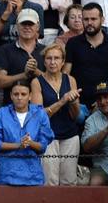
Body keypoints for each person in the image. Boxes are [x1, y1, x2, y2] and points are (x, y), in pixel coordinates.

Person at [30, 44, 83, 185]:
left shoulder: (70, 80)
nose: (53, 62)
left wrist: (73, 102)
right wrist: (63, 101)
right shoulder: (37, 82)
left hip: (70, 135)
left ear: (63, 61)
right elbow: (38, 116)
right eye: (49, 58)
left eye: (56, 58)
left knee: (69, 181)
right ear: (44, 61)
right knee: (50, 181)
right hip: (48, 137)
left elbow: (76, 115)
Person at [0, 80, 53, 185]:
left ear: (30, 96)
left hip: (32, 175)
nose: (19, 97)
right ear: (11, 96)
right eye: (16, 94)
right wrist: (19, 145)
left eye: (23, 94)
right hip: (4, 174)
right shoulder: (1, 114)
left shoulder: (40, 114)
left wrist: (30, 143)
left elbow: (43, 146)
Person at [65, 3, 108, 109]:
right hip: (79, 103)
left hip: (107, 104)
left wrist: (106, 99)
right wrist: (74, 99)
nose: (89, 23)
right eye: (86, 19)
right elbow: (66, 73)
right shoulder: (73, 43)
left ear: (102, 20)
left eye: (93, 19)